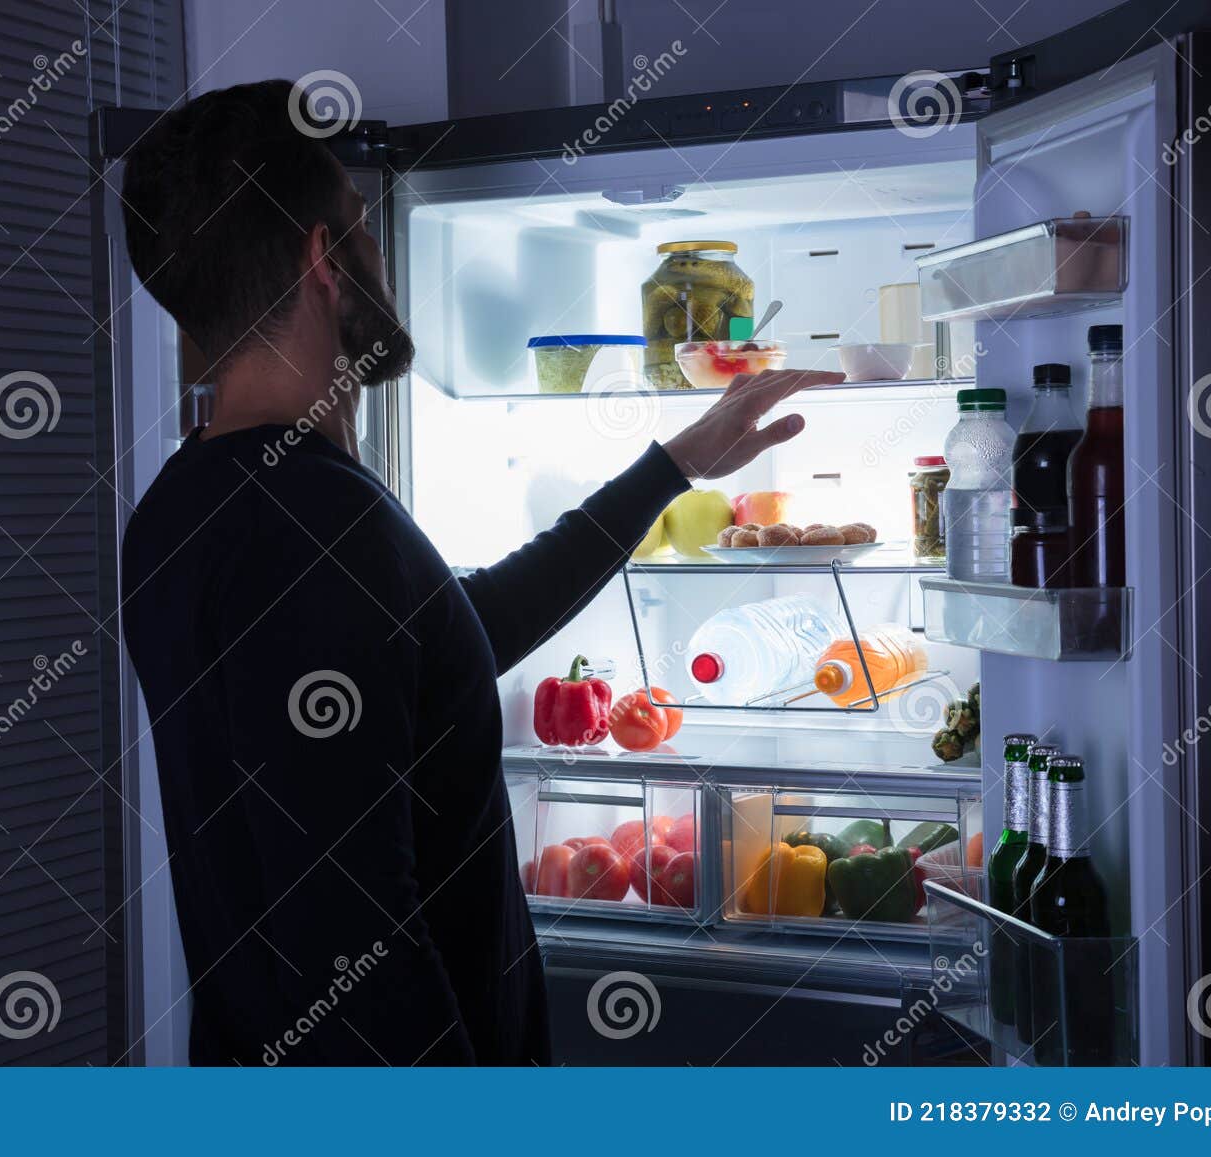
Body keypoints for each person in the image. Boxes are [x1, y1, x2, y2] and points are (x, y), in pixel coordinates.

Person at [119, 79, 841, 1066]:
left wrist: (670, 467)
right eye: (362, 229)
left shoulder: (186, 506)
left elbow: (450, 640)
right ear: (323, 260)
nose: (376, 253)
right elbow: (356, 947)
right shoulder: (313, 525)